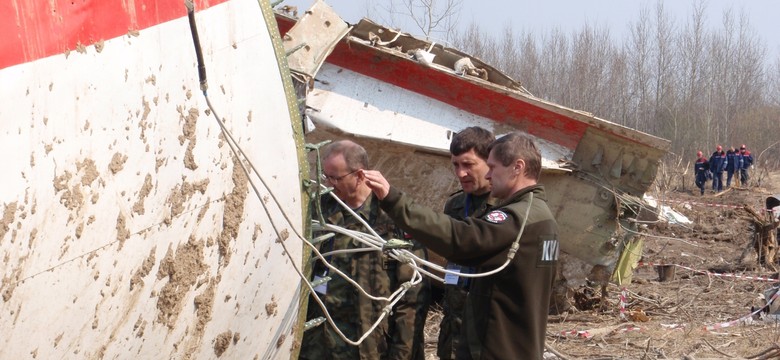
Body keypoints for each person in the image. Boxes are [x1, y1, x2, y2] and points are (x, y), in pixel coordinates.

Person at [364, 132, 559, 359]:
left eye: (493, 167)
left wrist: (394, 200)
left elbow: (460, 239)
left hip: (497, 349)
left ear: (517, 167)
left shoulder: (517, 218)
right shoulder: (542, 217)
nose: (488, 174)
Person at [299, 140, 430, 360]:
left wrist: (402, 354)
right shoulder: (319, 210)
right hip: (319, 344)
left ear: (359, 176)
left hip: (370, 346)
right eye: (326, 177)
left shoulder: (394, 217)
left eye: (336, 178)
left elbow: (412, 298)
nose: (329, 185)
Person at [438, 126, 496, 360]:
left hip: (486, 331)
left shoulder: (505, 208)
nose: (461, 174)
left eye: (468, 165)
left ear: (490, 162)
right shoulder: (455, 206)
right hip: (454, 325)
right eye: (455, 165)